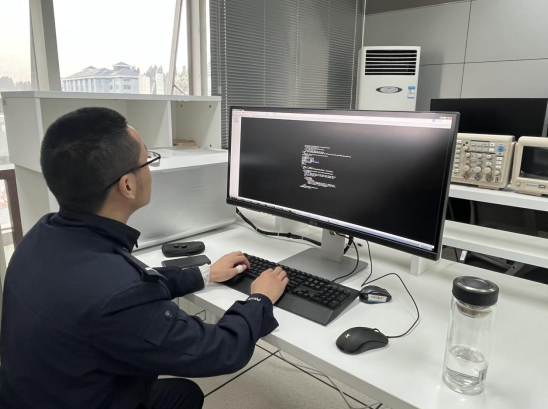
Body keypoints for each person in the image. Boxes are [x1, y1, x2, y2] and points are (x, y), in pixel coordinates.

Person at [0, 107, 289, 409]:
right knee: (183, 394)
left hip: (45, 394)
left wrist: (204, 274)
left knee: (184, 393)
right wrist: (259, 299)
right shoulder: (117, 295)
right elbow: (220, 350)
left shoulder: (40, 236)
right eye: (148, 160)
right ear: (127, 185)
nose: (151, 169)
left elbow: (124, 283)